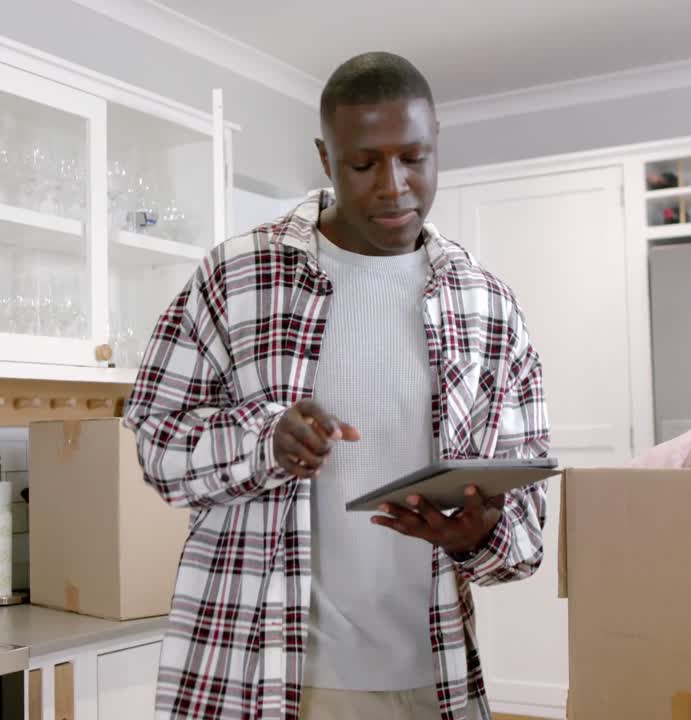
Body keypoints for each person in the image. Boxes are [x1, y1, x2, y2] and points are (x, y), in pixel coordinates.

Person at [123, 50, 550, 720]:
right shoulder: (234, 277)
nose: (393, 184)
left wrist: (475, 536)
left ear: (437, 147)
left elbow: (523, 540)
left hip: (432, 676)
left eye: (414, 157)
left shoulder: (488, 305)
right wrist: (264, 440)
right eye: (364, 163)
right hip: (260, 676)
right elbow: (157, 447)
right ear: (326, 159)